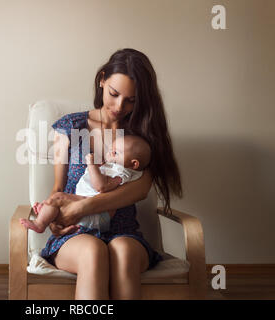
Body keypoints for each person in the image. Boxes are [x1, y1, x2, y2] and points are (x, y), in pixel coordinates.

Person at [36, 48, 183, 300]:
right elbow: (58, 188)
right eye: (114, 94)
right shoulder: (71, 127)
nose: (119, 106)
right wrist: (53, 218)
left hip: (124, 232)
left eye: (131, 100)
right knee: (93, 252)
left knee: (123, 252)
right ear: (102, 79)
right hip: (76, 233)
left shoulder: (141, 137)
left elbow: (139, 189)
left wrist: (82, 207)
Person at [20, 135, 148, 233]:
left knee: (58, 198)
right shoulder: (114, 167)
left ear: (134, 164)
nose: (110, 153)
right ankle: (46, 213)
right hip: (89, 208)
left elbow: (101, 186)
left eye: (116, 153)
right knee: (55, 200)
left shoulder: (122, 172)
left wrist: (91, 165)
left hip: (97, 213)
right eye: (111, 149)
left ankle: (40, 223)